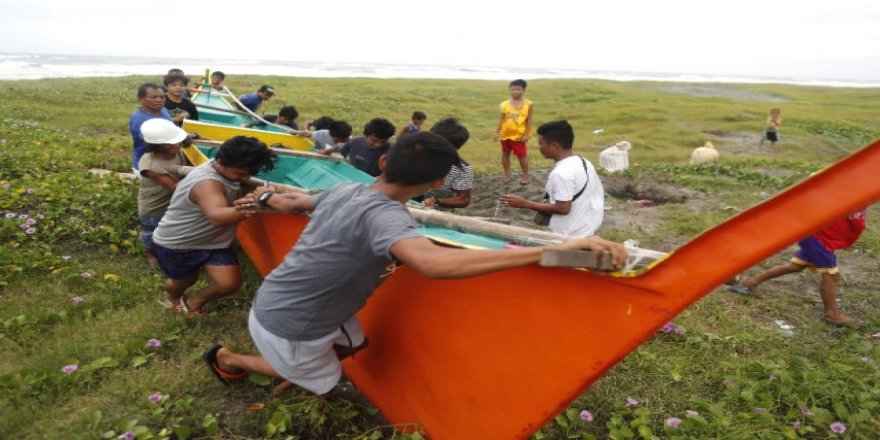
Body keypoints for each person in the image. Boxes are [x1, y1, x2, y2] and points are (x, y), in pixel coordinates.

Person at [200, 131, 628, 395]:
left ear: (384, 163)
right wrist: (556, 250)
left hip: (291, 301)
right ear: (439, 182)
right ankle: (230, 359)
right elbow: (434, 265)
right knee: (326, 383)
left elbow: (298, 201)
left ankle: (296, 363)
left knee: (355, 344)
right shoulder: (388, 216)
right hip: (291, 321)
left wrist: (268, 197)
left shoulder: (350, 192)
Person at [151, 136, 277, 315]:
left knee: (229, 283)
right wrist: (255, 204)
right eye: (240, 174)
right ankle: (172, 297)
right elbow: (217, 216)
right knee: (184, 280)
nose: (246, 178)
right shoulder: (207, 183)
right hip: (179, 244)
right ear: (220, 162)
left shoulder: (223, 165)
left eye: (249, 174)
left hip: (214, 241)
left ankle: (194, 302)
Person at [730, 208, 867, 326]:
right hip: (819, 238)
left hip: (821, 237)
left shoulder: (865, 190)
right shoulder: (843, 189)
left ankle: (751, 282)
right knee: (831, 275)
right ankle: (831, 314)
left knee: (795, 266)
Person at [500, 120, 605, 237]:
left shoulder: (561, 173)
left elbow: (564, 208)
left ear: (554, 145)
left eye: (541, 144)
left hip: (567, 236)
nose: (539, 148)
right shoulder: (584, 162)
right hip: (586, 231)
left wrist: (525, 203)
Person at [137, 119, 194, 266]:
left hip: (172, 202)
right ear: (158, 147)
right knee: (150, 230)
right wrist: (199, 173)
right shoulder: (150, 165)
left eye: (177, 142)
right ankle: (150, 253)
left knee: (170, 227)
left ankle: (170, 247)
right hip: (154, 205)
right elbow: (175, 187)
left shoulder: (176, 151)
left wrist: (191, 137)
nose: (177, 145)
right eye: (172, 144)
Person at [422, 118, 473, 212]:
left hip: (438, 216)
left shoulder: (462, 168)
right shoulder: (415, 156)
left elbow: (464, 199)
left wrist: (436, 201)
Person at [321, 118, 395, 177]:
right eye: (374, 140)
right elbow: (340, 147)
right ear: (366, 135)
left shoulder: (391, 151)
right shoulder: (354, 142)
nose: (378, 145)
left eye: (383, 142)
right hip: (352, 175)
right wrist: (327, 151)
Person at [494, 79, 533, 185]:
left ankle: (525, 175)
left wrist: (527, 134)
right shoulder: (504, 104)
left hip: (519, 136)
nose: (515, 91)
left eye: (518, 89)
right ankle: (507, 173)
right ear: (509, 90)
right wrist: (496, 132)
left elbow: (529, 120)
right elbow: (501, 119)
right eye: (513, 89)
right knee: (505, 153)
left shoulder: (528, 104)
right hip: (505, 134)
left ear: (523, 90)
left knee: (522, 155)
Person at [129, 83, 172, 171]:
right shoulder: (139, 119)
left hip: (165, 162)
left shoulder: (164, 111)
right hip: (146, 167)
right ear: (141, 99)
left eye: (162, 97)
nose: (159, 100)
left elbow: (170, 128)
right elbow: (150, 143)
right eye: (154, 97)